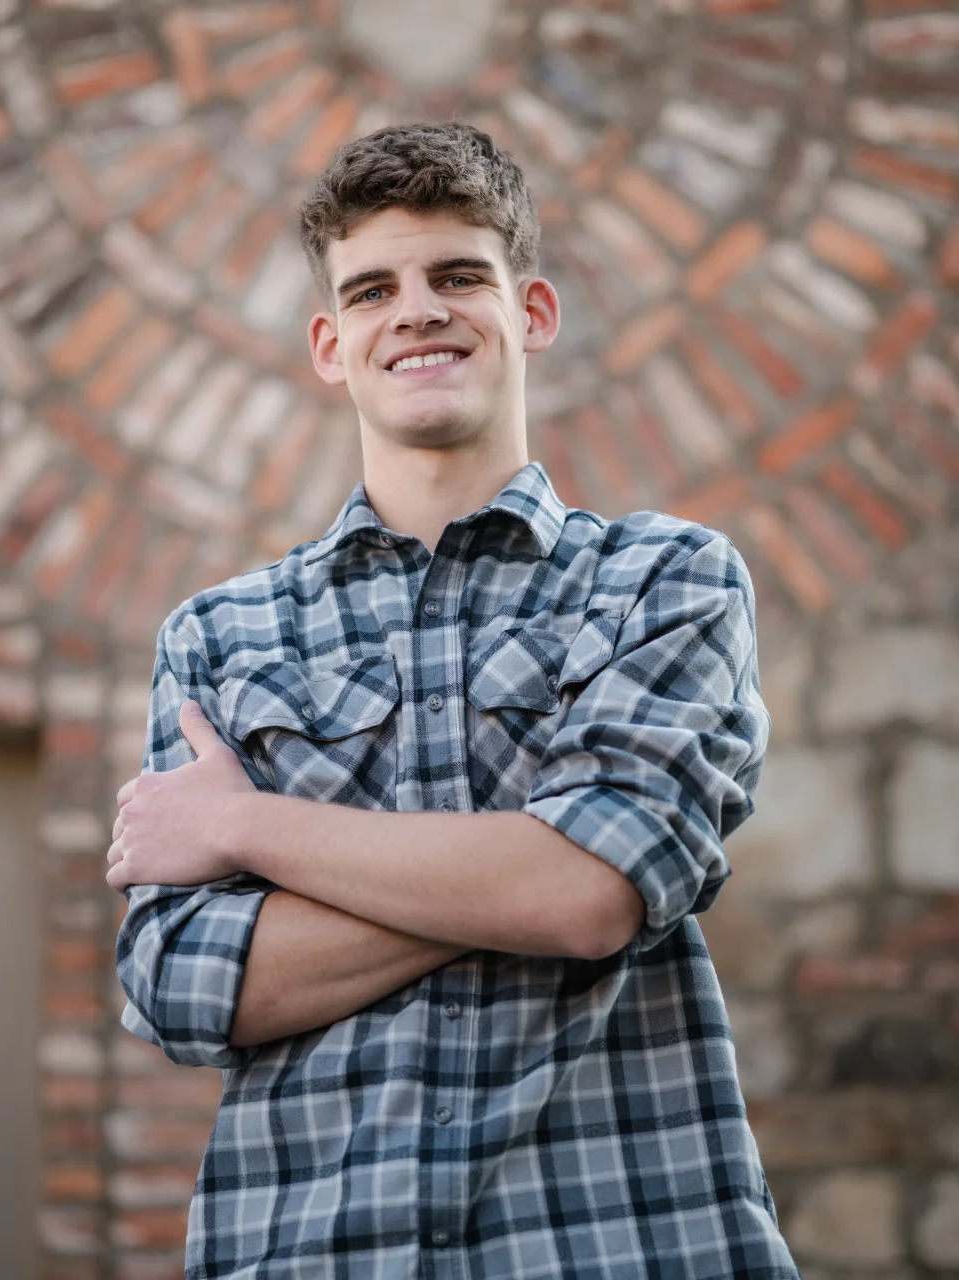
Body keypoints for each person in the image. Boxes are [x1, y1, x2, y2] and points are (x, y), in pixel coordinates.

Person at [109, 122, 800, 1280]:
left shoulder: (664, 581)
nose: (418, 309)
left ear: (530, 313)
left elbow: (586, 894)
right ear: (332, 346)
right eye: (374, 288)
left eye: (458, 275)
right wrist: (522, 872)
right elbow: (182, 982)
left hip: (625, 1240)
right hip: (307, 1252)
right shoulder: (219, 638)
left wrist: (247, 825)